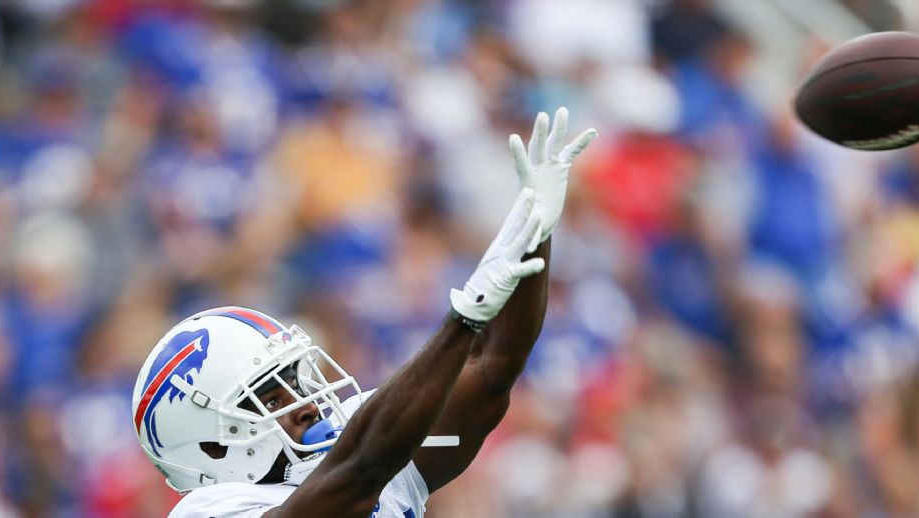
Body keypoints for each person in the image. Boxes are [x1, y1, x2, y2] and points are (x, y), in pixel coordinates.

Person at [131, 108, 596, 517]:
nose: (309, 404)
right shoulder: (212, 510)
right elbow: (357, 474)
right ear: (212, 445)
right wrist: (463, 321)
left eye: (295, 383)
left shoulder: (350, 449)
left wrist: (535, 226)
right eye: (270, 399)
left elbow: (492, 369)